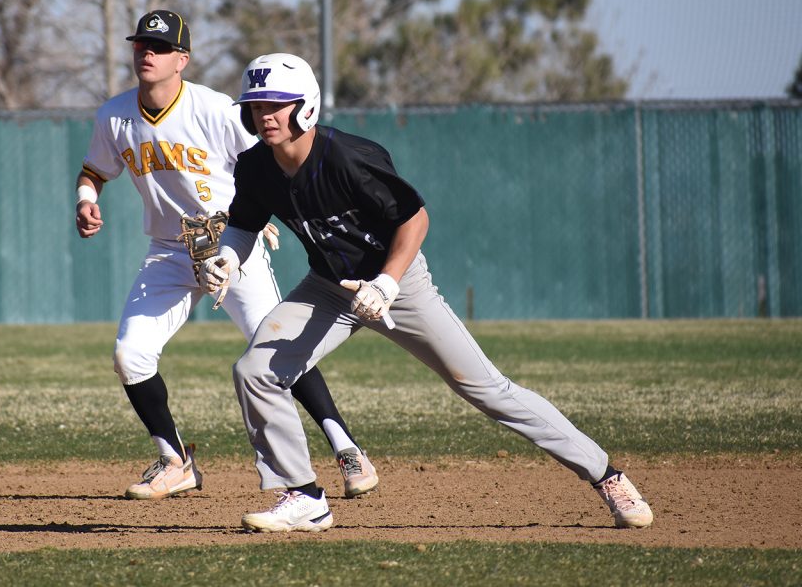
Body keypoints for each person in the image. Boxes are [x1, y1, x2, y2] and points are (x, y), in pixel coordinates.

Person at [199, 52, 655, 533]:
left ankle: (607, 475)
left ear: (305, 106)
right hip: (328, 288)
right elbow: (245, 224)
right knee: (255, 370)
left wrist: (388, 283)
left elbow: (413, 219)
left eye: (277, 104)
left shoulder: (346, 156)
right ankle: (305, 496)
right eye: (256, 105)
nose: (265, 115)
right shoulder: (255, 167)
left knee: (486, 390)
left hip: (399, 283)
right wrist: (227, 258)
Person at [74, 12, 378, 500]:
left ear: (182, 59)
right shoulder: (114, 116)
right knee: (130, 356)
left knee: (275, 348)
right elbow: (94, 171)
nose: (146, 53)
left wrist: (266, 220)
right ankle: (175, 460)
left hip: (232, 245)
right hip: (169, 251)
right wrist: (86, 199)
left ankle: (347, 449)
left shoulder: (215, 109)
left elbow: (271, 161)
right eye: (140, 45)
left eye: (158, 46)